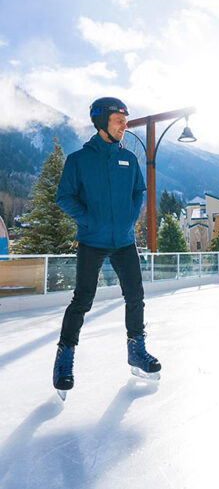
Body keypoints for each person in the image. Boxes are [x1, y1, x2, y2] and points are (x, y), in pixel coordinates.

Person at [52, 97, 161, 397]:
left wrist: (128, 218)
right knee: (82, 300)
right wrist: (89, 221)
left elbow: (139, 190)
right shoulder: (79, 160)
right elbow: (64, 197)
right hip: (92, 240)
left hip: (124, 241)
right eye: (118, 119)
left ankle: (136, 351)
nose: (124, 125)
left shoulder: (129, 159)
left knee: (135, 296)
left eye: (126, 119)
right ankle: (64, 358)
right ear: (101, 121)